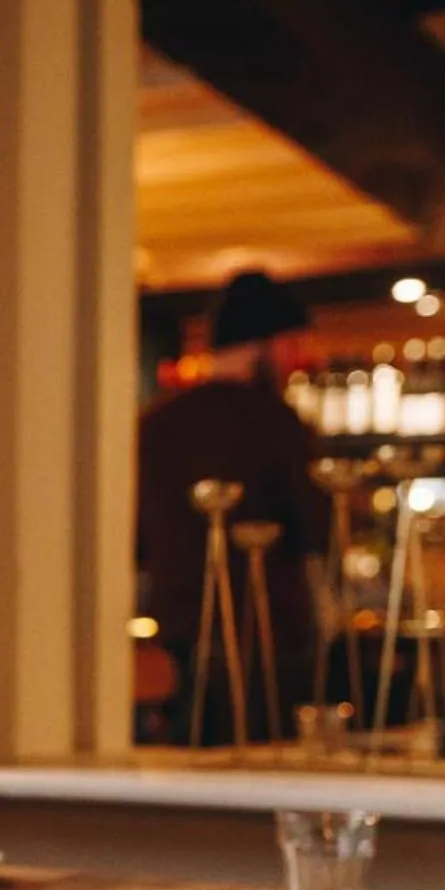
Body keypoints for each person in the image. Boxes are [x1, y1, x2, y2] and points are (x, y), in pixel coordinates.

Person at [137, 270, 326, 744]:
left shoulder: (156, 423)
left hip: (175, 632)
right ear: (261, 345)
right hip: (265, 636)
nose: (295, 359)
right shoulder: (276, 422)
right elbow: (316, 529)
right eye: (288, 345)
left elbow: (136, 538)